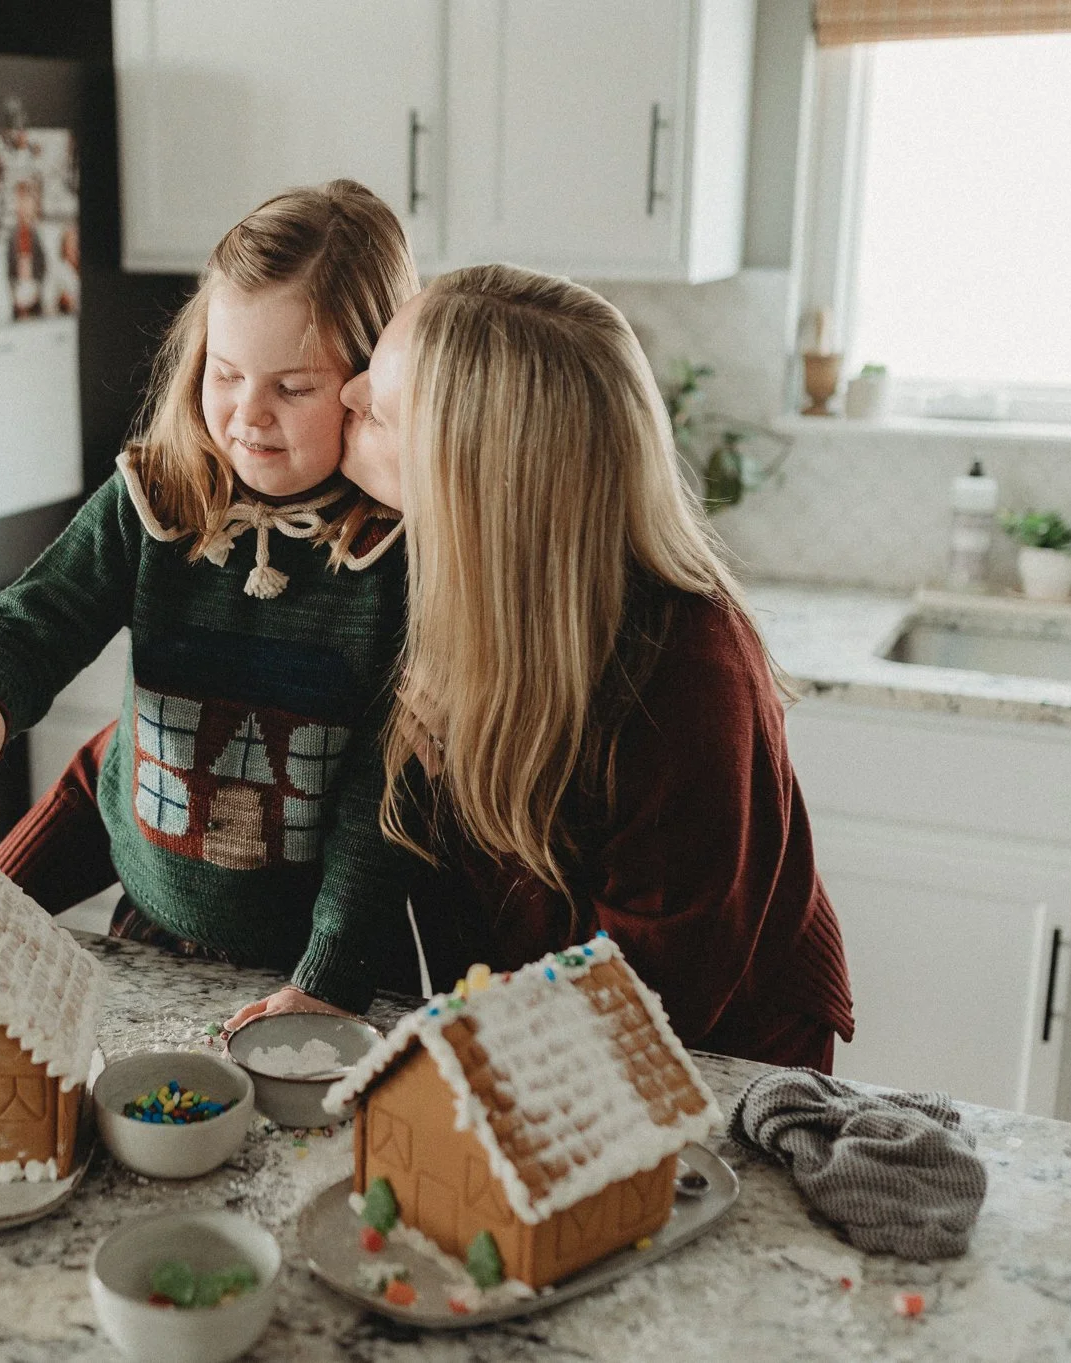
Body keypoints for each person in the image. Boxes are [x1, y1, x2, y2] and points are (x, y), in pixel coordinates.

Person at [0, 181, 418, 1020]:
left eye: (293, 388)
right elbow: (42, 612)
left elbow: (386, 800)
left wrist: (328, 977)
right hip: (147, 931)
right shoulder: (157, 497)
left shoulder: (393, 555)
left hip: (325, 967)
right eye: (227, 373)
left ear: (366, 389)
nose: (248, 414)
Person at [326, 264, 853, 1070]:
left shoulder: (691, 681)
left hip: (720, 1065)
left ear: (468, 478)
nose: (346, 395)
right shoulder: (426, 570)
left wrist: (455, 780)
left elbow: (635, 1008)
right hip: (537, 1034)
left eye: (381, 410)